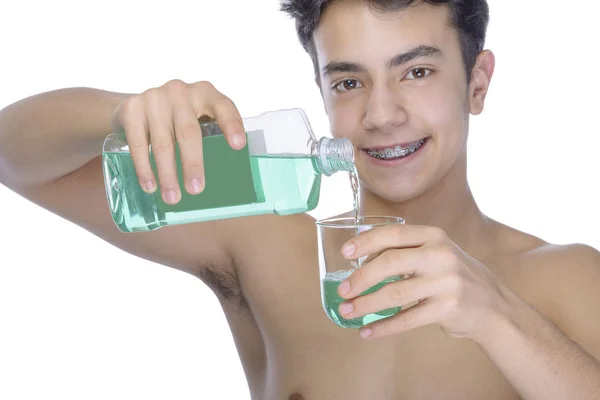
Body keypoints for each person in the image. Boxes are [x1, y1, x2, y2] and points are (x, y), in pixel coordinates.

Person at [1, 0, 599, 398]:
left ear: (477, 81)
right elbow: (12, 157)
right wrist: (118, 112)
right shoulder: (265, 247)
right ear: (319, 87)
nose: (381, 114)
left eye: (416, 72)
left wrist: (496, 316)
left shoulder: (566, 280)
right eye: (347, 81)